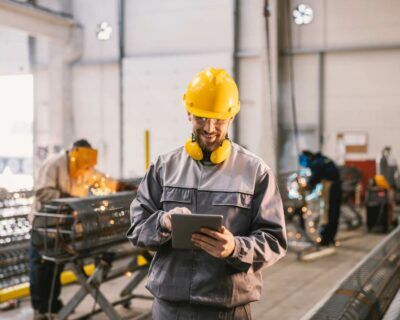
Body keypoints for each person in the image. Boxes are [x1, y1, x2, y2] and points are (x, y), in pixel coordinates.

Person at [127, 67, 287, 319]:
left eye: (219, 120)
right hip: (170, 307)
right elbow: (136, 228)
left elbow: (275, 241)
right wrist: (163, 222)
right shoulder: (164, 167)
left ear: (231, 117)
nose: (210, 128)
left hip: (227, 309)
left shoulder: (255, 172)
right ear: (188, 113)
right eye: (201, 118)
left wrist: (236, 247)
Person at [29, 139, 120, 320]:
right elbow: (42, 192)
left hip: (64, 227)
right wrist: (70, 200)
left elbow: (102, 180)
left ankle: (54, 305)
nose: (85, 169)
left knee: (57, 266)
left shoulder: (84, 165)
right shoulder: (54, 164)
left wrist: (123, 187)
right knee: (42, 268)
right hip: (44, 226)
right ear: (72, 152)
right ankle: (40, 310)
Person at [299, 150, 342, 246]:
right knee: (333, 213)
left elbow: (314, 178)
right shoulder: (323, 159)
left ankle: (325, 239)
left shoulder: (316, 163)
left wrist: (307, 187)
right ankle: (330, 238)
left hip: (331, 188)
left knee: (327, 213)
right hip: (337, 186)